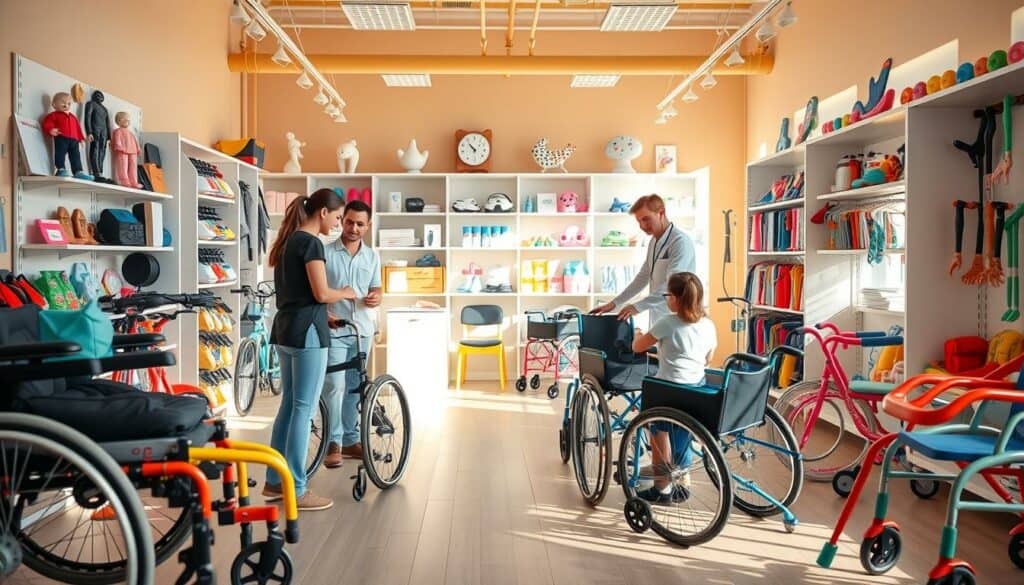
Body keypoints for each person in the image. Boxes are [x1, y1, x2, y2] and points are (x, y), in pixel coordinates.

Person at [263, 188, 351, 511]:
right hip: (308, 336)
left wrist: (323, 313)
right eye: (339, 217)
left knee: (289, 407)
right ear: (323, 213)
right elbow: (321, 290)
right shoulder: (311, 243)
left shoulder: (287, 242)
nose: (340, 224)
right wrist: (345, 292)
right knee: (304, 409)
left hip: (287, 330)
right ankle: (297, 489)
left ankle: (275, 483)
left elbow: (299, 294)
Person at [631, 272, 717, 503]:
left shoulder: (667, 323)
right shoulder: (708, 325)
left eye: (668, 294)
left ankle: (661, 488)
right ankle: (681, 481)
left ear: (675, 299)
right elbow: (708, 359)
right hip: (697, 389)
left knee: (659, 431)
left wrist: (637, 333)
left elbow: (638, 347)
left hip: (667, 391)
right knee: (683, 430)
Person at [321, 200, 382, 469]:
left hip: (362, 331)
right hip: (334, 329)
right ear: (341, 220)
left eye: (360, 224)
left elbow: (377, 289)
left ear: (367, 227)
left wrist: (375, 298)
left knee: (354, 389)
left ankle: (349, 439)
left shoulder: (372, 256)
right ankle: (332, 442)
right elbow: (317, 292)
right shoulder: (324, 252)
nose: (353, 228)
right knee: (333, 387)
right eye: (349, 222)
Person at [591, 194, 696, 323]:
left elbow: (673, 286)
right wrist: (615, 303)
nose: (642, 226)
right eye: (639, 221)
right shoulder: (653, 242)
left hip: (678, 318)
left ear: (661, 213)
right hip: (658, 317)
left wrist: (637, 307)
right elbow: (643, 277)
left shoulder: (680, 242)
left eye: (646, 219)